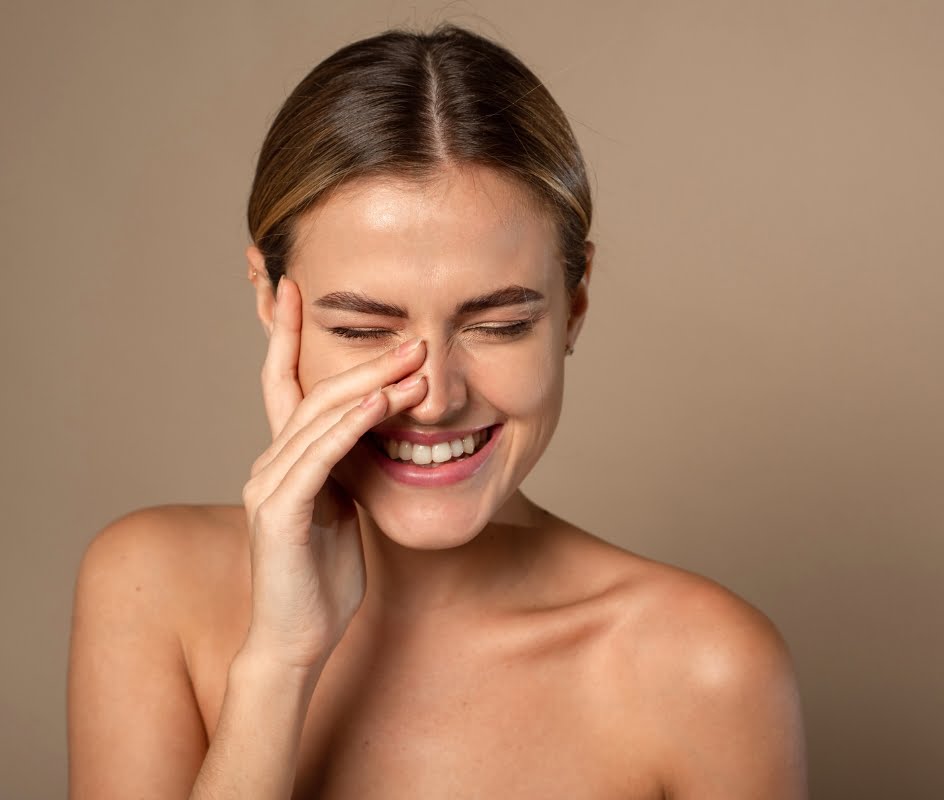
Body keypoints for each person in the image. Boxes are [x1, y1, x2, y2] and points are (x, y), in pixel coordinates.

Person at [67, 23, 806, 798]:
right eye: (362, 330)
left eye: (499, 325)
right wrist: (278, 665)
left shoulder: (704, 666)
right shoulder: (148, 588)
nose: (436, 398)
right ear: (268, 300)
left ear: (575, 304)